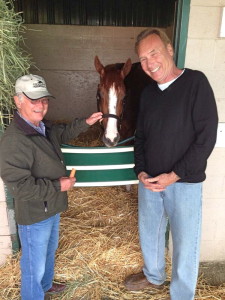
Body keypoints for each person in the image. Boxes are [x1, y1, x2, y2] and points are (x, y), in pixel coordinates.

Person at [124, 29, 218, 300]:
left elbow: (205, 138)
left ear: (169, 50)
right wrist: (140, 171)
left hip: (184, 183)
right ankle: (154, 277)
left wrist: (174, 175)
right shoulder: (148, 94)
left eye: (153, 53)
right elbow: (140, 136)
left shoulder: (195, 83)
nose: (149, 63)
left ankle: (182, 293)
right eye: (142, 58)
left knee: (186, 242)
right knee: (149, 234)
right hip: (150, 182)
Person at [0, 74, 102, 300]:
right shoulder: (15, 140)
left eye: (44, 99)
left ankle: (45, 286)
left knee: (48, 251)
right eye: (34, 99)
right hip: (35, 214)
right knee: (33, 265)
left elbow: (63, 132)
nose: (41, 105)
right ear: (18, 101)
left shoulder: (41, 127)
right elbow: (20, 187)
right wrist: (58, 185)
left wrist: (86, 123)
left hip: (51, 207)